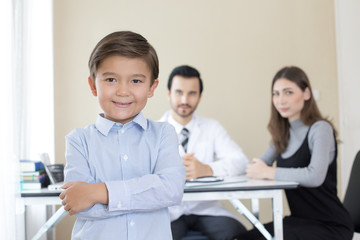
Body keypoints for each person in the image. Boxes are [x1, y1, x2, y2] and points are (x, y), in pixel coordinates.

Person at [59, 31, 186, 240]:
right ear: (93, 85)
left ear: (152, 87)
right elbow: (80, 205)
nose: (123, 91)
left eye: (136, 81)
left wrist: (97, 192)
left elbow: (170, 190)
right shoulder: (78, 140)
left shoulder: (164, 134)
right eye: (111, 79)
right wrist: (146, 195)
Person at [236, 66, 354, 240]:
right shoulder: (283, 135)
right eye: (276, 94)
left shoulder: (320, 129)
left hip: (330, 225)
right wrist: (257, 169)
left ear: (306, 93)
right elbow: (258, 167)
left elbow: (315, 176)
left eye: (288, 92)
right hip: (300, 221)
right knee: (240, 238)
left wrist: (269, 172)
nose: (280, 100)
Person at [160, 65, 249, 240]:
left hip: (207, 209)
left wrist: (206, 169)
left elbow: (241, 161)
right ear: (168, 93)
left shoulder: (212, 128)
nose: (185, 99)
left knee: (239, 234)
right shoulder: (154, 132)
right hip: (170, 212)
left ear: (200, 97)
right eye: (179, 92)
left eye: (192, 93)